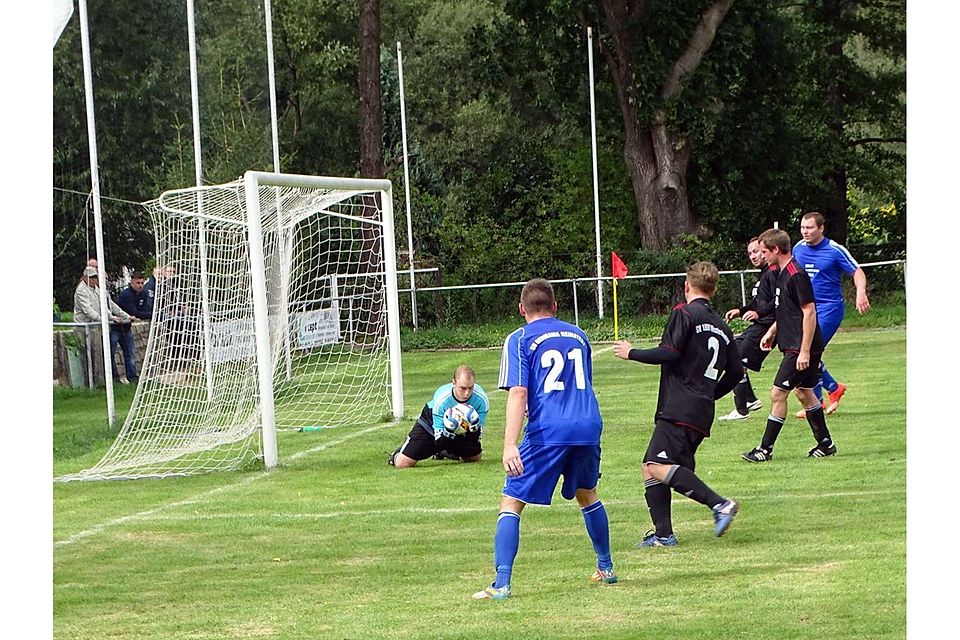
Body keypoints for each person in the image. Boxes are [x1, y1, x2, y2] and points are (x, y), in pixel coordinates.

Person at [473, 279, 616, 601]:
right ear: (554, 307)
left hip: (549, 430)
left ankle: (502, 583)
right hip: (588, 425)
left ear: (522, 309)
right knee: (587, 493)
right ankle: (605, 567)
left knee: (511, 501)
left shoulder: (520, 338)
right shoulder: (578, 335)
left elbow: (519, 391)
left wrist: (509, 444)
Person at [614, 262, 743, 547]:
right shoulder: (722, 326)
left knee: (656, 464)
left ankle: (720, 504)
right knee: (651, 467)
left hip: (679, 405)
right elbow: (735, 372)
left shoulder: (683, 313)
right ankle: (663, 535)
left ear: (687, 286)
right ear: (714, 289)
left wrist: (631, 352)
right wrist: (709, 394)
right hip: (700, 409)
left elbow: (669, 352)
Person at [742, 229, 837, 462]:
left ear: (776, 250)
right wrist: (772, 331)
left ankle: (765, 449)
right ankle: (826, 444)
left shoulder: (796, 274)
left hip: (801, 346)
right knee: (804, 392)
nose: (762, 256)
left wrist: (804, 350)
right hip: (791, 342)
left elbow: (809, 312)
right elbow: (786, 309)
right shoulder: (781, 273)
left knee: (777, 393)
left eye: (764, 251)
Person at [792, 212, 870, 418]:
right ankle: (831, 390)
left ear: (821, 228)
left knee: (808, 350)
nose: (805, 232)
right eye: (802, 228)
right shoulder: (798, 249)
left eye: (809, 228)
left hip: (829, 309)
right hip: (806, 309)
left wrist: (861, 292)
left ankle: (818, 400)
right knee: (808, 352)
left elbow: (858, 272)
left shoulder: (835, 250)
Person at [718, 238, 779, 421]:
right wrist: (741, 311)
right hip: (760, 324)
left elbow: (777, 304)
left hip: (768, 327)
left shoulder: (773, 273)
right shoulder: (764, 273)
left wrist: (758, 314)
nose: (753, 256)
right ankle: (750, 399)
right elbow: (759, 302)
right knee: (731, 352)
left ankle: (741, 411)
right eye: (750, 253)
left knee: (737, 363)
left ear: (765, 250)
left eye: (756, 251)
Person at [388, 365, 489, 468]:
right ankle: (397, 454)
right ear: (453, 383)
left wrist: (474, 428)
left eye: (470, 388)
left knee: (474, 458)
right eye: (463, 388)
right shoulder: (442, 400)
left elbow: (475, 438)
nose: (467, 393)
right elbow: (439, 439)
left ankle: (446, 452)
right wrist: (449, 430)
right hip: (430, 423)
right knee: (402, 463)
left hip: (461, 430)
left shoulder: (481, 400)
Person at [73, 265, 138, 384]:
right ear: (85, 277)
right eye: (91, 277)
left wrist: (124, 316)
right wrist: (106, 319)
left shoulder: (97, 289)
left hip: (97, 327)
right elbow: (88, 310)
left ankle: (111, 381)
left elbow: (108, 306)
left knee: (102, 354)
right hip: (85, 328)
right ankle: (93, 383)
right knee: (90, 357)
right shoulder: (81, 290)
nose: (94, 280)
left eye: (95, 277)